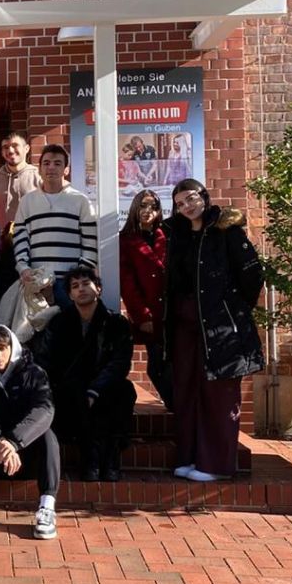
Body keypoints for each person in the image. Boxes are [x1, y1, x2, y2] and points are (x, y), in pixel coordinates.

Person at [164, 179, 264, 482]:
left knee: (219, 395)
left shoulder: (226, 231)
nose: (187, 206)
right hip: (185, 328)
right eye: (180, 203)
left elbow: (252, 274)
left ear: (204, 197)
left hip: (221, 328)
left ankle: (216, 465)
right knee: (188, 391)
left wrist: (232, 308)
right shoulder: (178, 235)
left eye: (191, 199)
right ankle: (192, 458)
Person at [34, 267, 136, 482]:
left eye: (86, 283)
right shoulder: (59, 323)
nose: (81, 289)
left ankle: (110, 459)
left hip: (104, 388)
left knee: (124, 391)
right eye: (75, 286)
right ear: (70, 295)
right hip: (70, 392)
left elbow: (120, 364)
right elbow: (45, 361)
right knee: (76, 394)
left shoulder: (117, 323)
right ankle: (91, 458)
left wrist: (95, 390)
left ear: (98, 288)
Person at [0, 324, 59, 540]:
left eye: (2, 348)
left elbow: (44, 409)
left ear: (12, 347)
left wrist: (14, 442)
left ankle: (47, 507)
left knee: (48, 436)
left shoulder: (34, 373)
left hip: (24, 451)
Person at [12, 144, 97, 309]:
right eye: (46, 163)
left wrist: (80, 276)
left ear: (66, 170)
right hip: (37, 283)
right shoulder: (27, 201)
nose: (51, 167)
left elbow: (90, 241)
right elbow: (21, 238)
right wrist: (23, 268)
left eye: (57, 163)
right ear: (39, 169)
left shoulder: (80, 200)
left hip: (70, 284)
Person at [119, 189, 172, 407]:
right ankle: (174, 404)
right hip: (149, 312)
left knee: (175, 362)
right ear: (134, 208)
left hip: (173, 311)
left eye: (153, 206)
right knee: (156, 363)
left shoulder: (167, 235)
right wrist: (142, 316)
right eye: (143, 205)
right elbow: (127, 283)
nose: (148, 211)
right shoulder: (126, 239)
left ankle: (181, 408)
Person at [0, 132, 41, 293]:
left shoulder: (40, 178)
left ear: (27, 148)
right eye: (5, 147)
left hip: (34, 248)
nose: (10, 150)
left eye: (15, 145)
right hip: (2, 252)